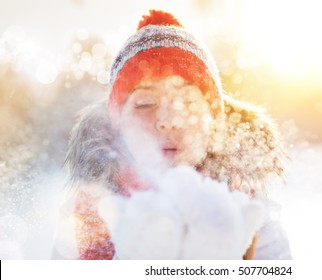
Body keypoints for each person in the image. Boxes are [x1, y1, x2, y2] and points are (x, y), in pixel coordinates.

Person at [52, 10, 291, 260]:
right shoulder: (85, 220)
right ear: (118, 123)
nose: (168, 120)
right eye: (145, 103)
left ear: (213, 120)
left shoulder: (250, 214)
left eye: (187, 101)